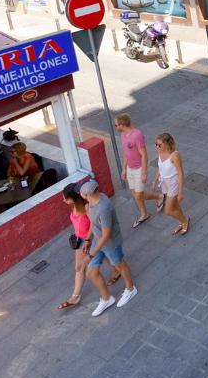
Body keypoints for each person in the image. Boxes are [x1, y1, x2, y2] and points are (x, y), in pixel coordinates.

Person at [80, 180, 137, 317]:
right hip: (98, 242)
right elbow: (94, 226)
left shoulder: (104, 208)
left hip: (110, 243)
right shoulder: (92, 203)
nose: (80, 193)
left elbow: (106, 235)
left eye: (82, 192)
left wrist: (91, 255)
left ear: (87, 194)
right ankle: (106, 299)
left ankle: (130, 289)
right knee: (91, 273)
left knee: (120, 265)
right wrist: (88, 239)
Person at [58, 183, 118, 310]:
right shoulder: (75, 207)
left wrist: (88, 238)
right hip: (80, 241)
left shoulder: (86, 206)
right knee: (80, 266)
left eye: (66, 198)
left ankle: (117, 270)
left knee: (97, 259)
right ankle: (75, 297)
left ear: (73, 197)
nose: (63, 200)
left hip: (90, 239)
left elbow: (93, 222)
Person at [115, 114, 161, 228]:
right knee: (134, 194)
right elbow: (126, 153)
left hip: (139, 169)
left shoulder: (137, 135)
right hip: (130, 169)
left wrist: (144, 173)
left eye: (116, 125)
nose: (115, 127)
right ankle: (144, 214)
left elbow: (144, 155)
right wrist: (124, 169)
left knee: (139, 195)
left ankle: (159, 197)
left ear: (122, 125)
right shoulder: (123, 135)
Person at [151, 133, 190, 236]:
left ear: (167, 144)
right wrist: (154, 180)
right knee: (175, 205)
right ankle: (182, 221)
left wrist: (181, 192)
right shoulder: (160, 153)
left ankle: (185, 220)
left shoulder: (174, 155)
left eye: (159, 145)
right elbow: (160, 168)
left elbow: (180, 173)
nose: (157, 147)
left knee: (168, 210)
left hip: (173, 183)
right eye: (156, 144)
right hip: (165, 182)